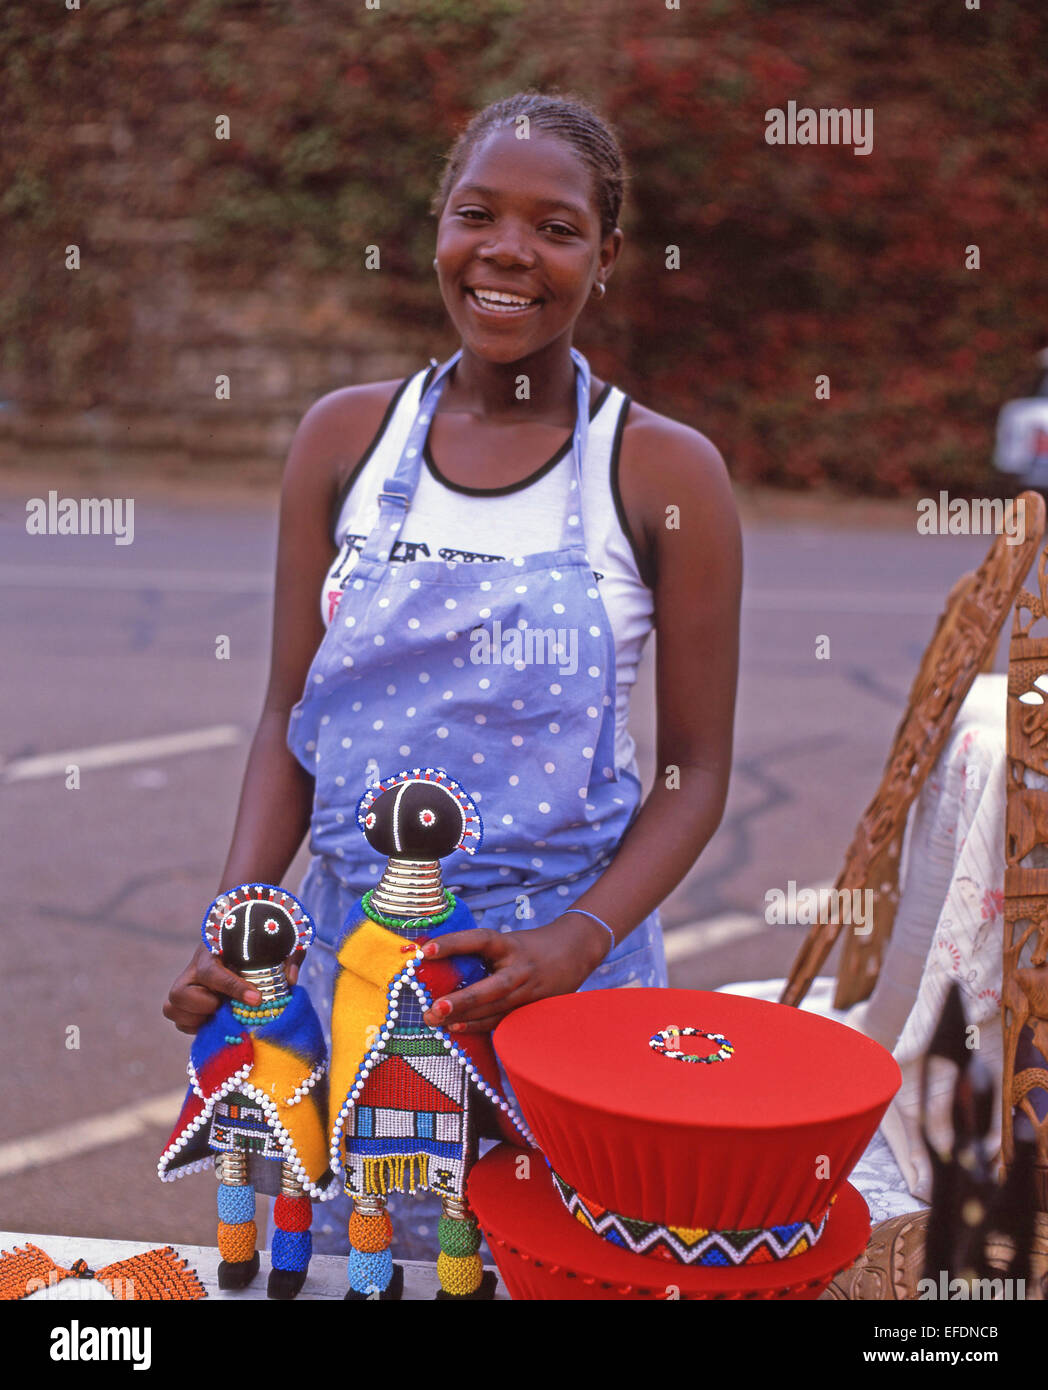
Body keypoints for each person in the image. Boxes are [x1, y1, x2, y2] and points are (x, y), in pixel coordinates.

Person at [163, 89, 742, 1258]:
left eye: (556, 227)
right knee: (350, 1261)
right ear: (437, 227)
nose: (509, 254)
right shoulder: (342, 440)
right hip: (350, 974)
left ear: (606, 256)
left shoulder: (663, 471)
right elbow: (290, 712)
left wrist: (577, 939)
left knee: (553, 1264)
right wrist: (240, 913)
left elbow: (695, 772)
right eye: (478, 214)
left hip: (561, 992)